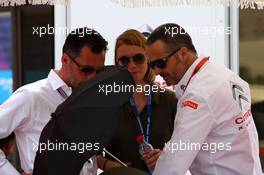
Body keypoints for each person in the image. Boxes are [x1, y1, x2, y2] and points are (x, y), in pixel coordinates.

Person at [145, 23, 263, 175]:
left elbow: (173, 165)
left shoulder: (198, 94)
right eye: (151, 65)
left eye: (160, 63)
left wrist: (166, 161)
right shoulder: (224, 74)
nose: (156, 71)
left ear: (182, 53)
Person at [0, 27, 108, 175]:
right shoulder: (31, 96)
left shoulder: (91, 99)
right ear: (65, 59)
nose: (92, 78)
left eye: (99, 71)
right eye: (86, 70)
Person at [97, 29, 177, 173]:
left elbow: (187, 146)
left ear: (148, 59)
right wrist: (106, 164)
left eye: (138, 58)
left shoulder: (170, 100)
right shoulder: (106, 104)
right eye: (124, 60)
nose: (132, 65)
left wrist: (167, 158)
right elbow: (89, 152)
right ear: (117, 63)